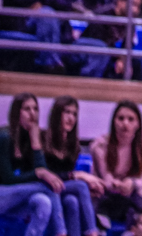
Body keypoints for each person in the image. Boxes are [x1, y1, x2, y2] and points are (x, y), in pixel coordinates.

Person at [0, 94, 68, 236]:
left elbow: (40, 172)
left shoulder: (28, 139)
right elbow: (9, 180)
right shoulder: (2, 137)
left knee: (43, 202)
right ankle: (61, 233)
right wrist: (39, 173)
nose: (32, 114)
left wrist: (36, 144)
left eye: (35, 109)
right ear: (17, 113)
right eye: (27, 109)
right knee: (47, 188)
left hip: (9, 198)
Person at [43, 96, 102, 236]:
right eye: (67, 112)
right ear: (57, 114)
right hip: (43, 187)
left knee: (72, 201)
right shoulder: (42, 139)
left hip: (61, 189)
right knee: (81, 185)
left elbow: (66, 179)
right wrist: (77, 175)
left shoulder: (73, 145)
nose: (71, 118)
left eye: (74, 114)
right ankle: (92, 232)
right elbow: (44, 174)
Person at [88, 100, 142, 223]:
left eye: (131, 119)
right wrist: (118, 185)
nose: (125, 123)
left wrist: (131, 182)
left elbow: (141, 180)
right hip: (104, 195)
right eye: (121, 118)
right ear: (114, 122)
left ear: (138, 124)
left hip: (131, 195)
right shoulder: (100, 145)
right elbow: (106, 179)